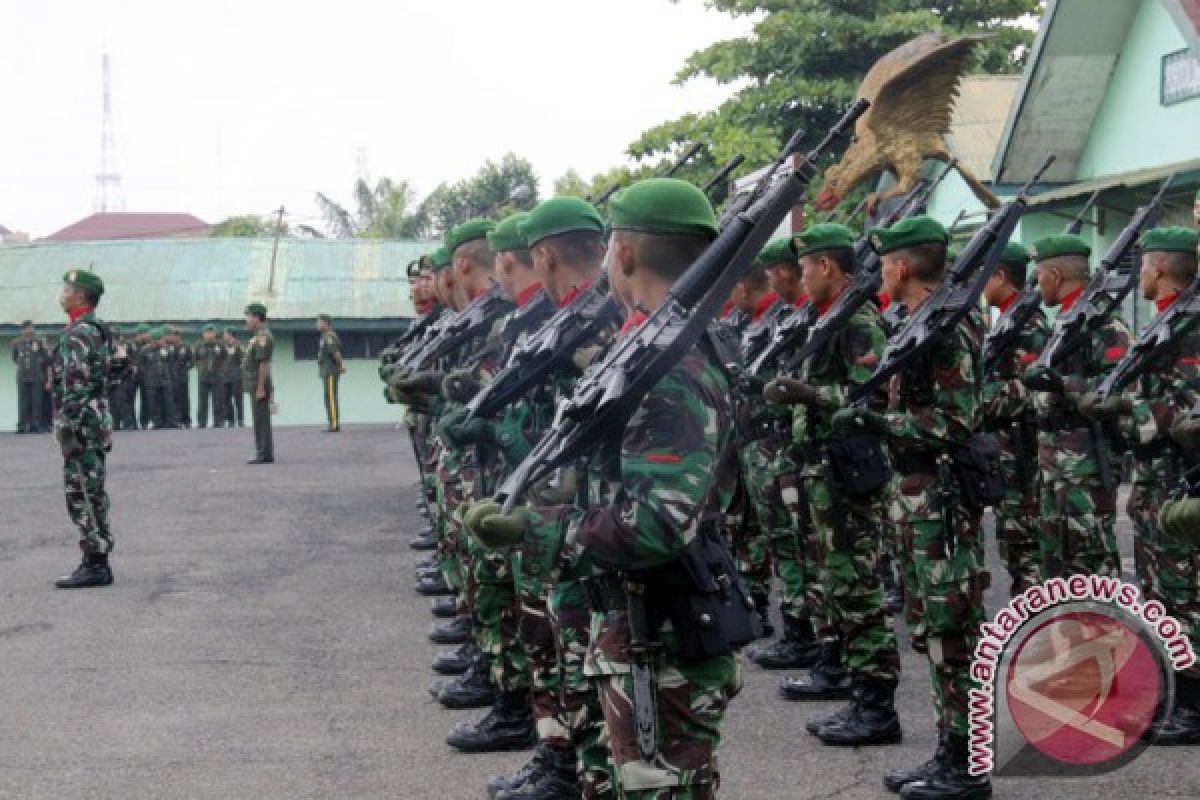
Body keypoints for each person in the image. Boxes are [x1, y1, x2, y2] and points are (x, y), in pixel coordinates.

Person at [470, 178, 742, 800]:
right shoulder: (649, 352)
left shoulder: (672, 370)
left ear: (622, 256)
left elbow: (659, 522)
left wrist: (539, 529)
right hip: (634, 624)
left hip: (662, 635)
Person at [833, 215, 990, 800]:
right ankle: (949, 751)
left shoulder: (949, 326)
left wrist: (881, 420)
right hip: (917, 502)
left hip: (942, 503)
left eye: (887, 262)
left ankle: (968, 767)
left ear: (900, 265)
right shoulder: (920, 321)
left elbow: (956, 422)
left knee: (954, 635)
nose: (883, 272)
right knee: (933, 633)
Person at [765, 223, 902, 745]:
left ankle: (877, 708)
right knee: (838, 588)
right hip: (824, 469)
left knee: (859, 590)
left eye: (804, 267)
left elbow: (870, 395)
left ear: (827, 267)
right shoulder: (824, 317)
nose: (799, 278)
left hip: (849, 472)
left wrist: (808, 392)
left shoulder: (861, 320)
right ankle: (853, 687)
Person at [1078, 226, 1200, 744]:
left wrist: (1125, 408)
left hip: (1181, 483)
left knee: (1187, 596)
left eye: (1143, 265)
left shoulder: (1190, 328)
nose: (1139, 276)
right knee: (1164, 598)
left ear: (1158, 268)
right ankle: (1179, 699)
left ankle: (1194, 710)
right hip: (1155, 484)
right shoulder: (1167, 321)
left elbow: (1192, 413)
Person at [1024, 234, 1131, 580]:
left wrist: (1061, 384)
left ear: (1054, 276)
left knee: (1093, 564)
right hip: (1054, 465)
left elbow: (1119, 389)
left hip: (1086, 466)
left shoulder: (1104, 324)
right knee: (1058, 568)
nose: (1036, 283)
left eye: (1039, 274)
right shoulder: (1064, 322)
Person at [980, 242, 1048, 594]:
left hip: (1022, 452)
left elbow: (1029, 387)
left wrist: (977, 400)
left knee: (1026, 546)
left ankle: (1035, 619)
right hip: (1006, 451)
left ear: (1001, 276)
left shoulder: (1028, 323)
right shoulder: (1007, 320)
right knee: (1013, 542)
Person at [51, 269, 116, 589]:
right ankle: (98, 558)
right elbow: (122, 366)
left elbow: (75, 383)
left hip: (82, 427)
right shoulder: (100, 329)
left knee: (81, 494)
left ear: (80, 296)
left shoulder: (79, 333)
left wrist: (68, 425)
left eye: (67, 289)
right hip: (95, 421)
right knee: (94, 492)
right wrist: (100, 400)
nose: (62, 293)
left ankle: (95, 563)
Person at [243, 303, 274, 464]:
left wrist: (261, 387)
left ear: (256, 317)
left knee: (261, 420)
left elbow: (263, 363)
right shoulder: (257, 336)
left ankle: (263, 453)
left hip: (258, 384)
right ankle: (264, 452)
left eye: (248, 317)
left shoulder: (262, 337)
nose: (246, 320)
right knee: (260, 419)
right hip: (255, 383)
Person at [12, 320, 50, 433]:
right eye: (26, 328)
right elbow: (14, 358)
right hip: (22, 376)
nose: (28, 330)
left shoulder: (39, 341)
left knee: (36, 402)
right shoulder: (16, 343)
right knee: (22, 402)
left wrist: (38, 361)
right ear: (22, 330)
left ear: (33, 329)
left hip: (37, 376)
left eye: (30, 328)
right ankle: (22, 426)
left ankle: (35, 426)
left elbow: (47, 358)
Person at [143, 326, 178, 429]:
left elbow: (172, 362)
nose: (161, 341)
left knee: (169, 402)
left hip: (165, 380)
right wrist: (148, 374)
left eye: (161, 339)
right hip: (152, 381)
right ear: (154, 340)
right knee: (153, 402)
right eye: (159, 339)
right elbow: (141, 364)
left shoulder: (166, 350)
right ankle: (157, 422)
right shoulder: (145, 351)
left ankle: (171, 421)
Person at [317, 314, 345, 432]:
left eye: (319, 322)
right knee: (328, 397)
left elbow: (336, 354)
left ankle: (334, 424)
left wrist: (340, 366)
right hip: (326, 370)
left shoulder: (329, 336)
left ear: (325, 323)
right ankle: (332, 422)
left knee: (331, 397)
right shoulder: (325, 336)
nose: (317, 325)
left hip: (330, 371)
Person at [194, 324, 226, 428]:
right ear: (203, 335)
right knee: (202, 401)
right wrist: (200, 368)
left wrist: (221, 370)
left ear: (215, 334)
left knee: (218, 400)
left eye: (211, 333)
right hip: (203, 377)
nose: (209, 335)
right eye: (207, 333)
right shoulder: (198, 345)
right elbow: (195, 359)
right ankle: (201, 422)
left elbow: (225, 358)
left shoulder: (220, 345)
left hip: (217, 377)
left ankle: (218, 421)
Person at [167, 325, 194, 428]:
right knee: (174, 399)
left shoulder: (185, 347)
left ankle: (186, 420)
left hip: (182, 378)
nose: (174, 337)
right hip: (172, 378)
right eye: (172, 335)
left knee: (184, 399)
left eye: (176, 335)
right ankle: (176, 419)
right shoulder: (169, 347)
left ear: (179, 336)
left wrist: (185, 369)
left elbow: (191, 362)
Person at [222, 328, 246, 428]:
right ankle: (231, 420)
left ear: (230, 335)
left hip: (237, 376)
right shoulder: (223, 346)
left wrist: (235, 347)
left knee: (238, 399)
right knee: (226, 400)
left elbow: (243, 358)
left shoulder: (239, 345)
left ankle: (240, 420)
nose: (224, 336)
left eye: (225, 334)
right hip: (225, 376)